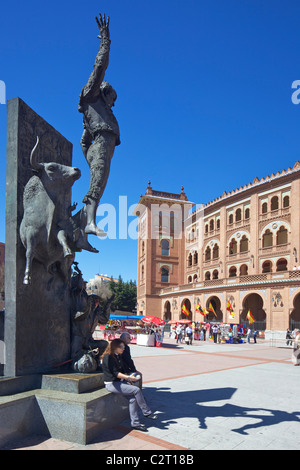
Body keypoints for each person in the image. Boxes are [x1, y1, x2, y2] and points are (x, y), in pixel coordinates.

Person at [78, 14, 120, 238]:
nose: (114, 103)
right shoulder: (92, 96)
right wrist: (105, 41)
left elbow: (84, 139)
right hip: (102, 146)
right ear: (105, 93)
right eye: (113, 98)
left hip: (102, 149)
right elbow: (99, 66)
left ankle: (86, 226)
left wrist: (90, 156)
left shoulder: (96, 112)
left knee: (99, 184)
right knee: (97, 184)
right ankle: (89, 223)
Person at [101, 339, 157, 432]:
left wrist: (129, 377)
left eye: (124, 347)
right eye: (121, 347)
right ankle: (147, 412)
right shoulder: (108, 357)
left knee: (133, 399)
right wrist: (129, 378)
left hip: (119, 383)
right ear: (115, 347)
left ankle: (135, 423)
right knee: (136, 390)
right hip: (111, 384)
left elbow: (122, 371)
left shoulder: (118, 356)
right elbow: (115, 373)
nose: (123, 349)